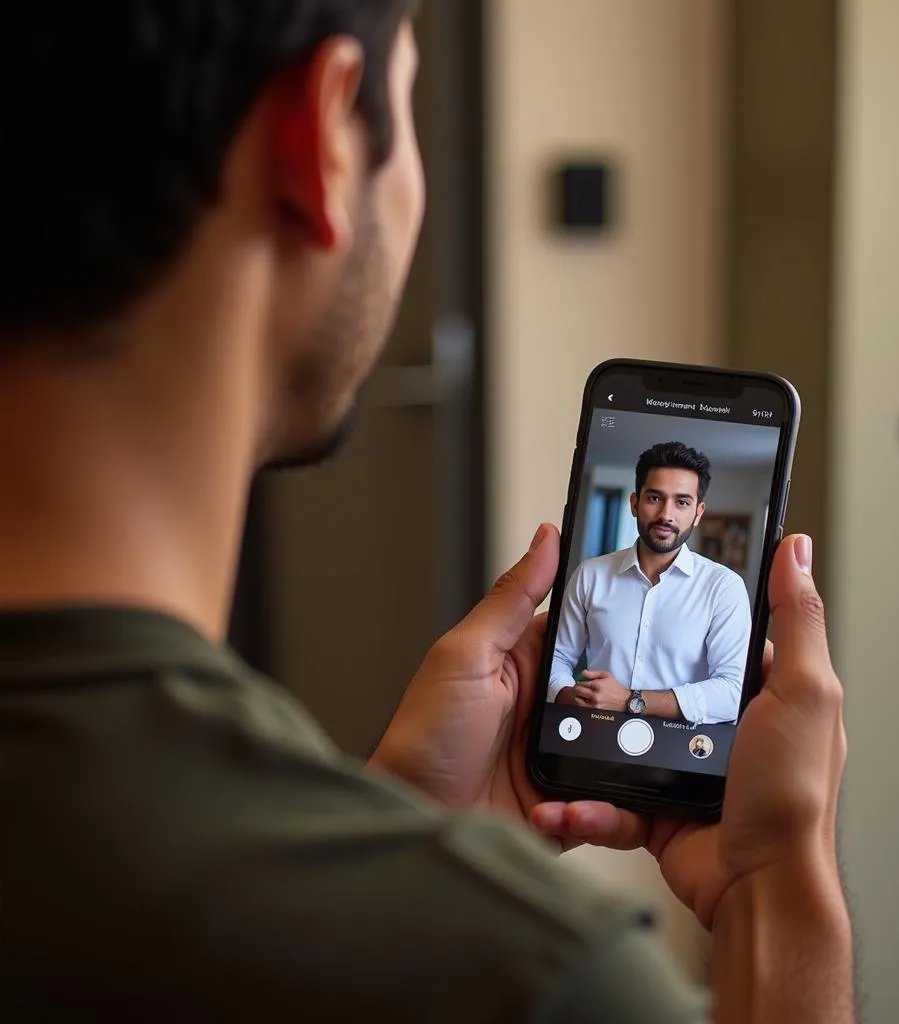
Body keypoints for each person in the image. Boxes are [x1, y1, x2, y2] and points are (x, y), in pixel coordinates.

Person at [0, 3, 853, 1021]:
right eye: (404, 94)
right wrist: (778, 889)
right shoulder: (528, 976)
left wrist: (393, 812)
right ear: (317, 139)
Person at [549, 442, 751, 723]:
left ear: (698, 513)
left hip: (683, 754)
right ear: (634, 503)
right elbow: (556, 657)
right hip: (593, 739)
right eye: (655, 498)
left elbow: (733, 692)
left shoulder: (724, 588)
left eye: (682, 502)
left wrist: (630, 701)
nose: (666, 515)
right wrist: (569, 697)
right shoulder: (590, 575)